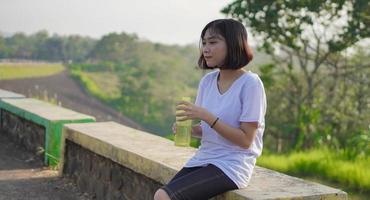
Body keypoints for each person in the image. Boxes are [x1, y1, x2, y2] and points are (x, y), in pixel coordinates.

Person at [154, 18, 267, 200]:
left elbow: (246, 140)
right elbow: (207, 129)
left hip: (232, 165)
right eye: (204, 42)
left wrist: (207, 116)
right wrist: (191, 131)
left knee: (163, 197)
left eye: (213, 42)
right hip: (203, 158)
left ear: (233, 44)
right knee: (161, 194)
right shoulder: (207, 81)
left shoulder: (250, 84)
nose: (206, 48)